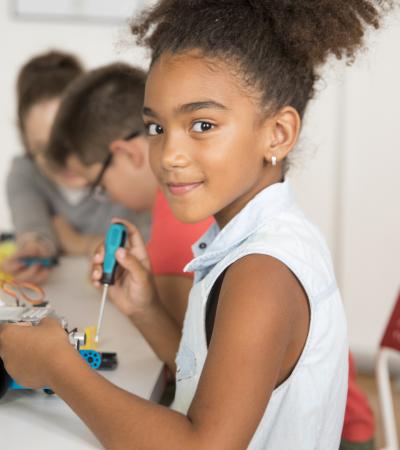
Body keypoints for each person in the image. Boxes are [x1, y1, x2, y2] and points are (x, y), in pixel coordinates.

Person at [0, 1, 388, 449]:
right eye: (156, 128)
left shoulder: (262, 272)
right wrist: (145, 310)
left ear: (277, 133)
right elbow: (207, 382)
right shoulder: (253, 237)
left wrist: (57, 366)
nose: (169, 156)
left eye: (202, 124)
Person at [46, 63, 213, 329]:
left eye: (98, 184)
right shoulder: (177, 205)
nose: (108, 197)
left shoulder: (180, 214)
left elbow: (187, 356)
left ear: (128, 154)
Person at [2, 51, 145, 284]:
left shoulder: (123, 173)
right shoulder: (25, 172)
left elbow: (148, 245)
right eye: (43, 148)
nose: (61, 159)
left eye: (66, 141)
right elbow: (32, 225)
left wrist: (76, 242)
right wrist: (36, 247)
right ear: (26, 142)